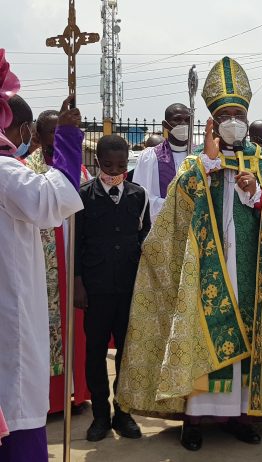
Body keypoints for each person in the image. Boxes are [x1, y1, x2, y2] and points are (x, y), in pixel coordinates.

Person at [116, 56, 262, 452]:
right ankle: (195, 420)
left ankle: (241, 416)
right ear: (213, 122)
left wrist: (256, 195)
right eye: (225, 115)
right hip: (206, 270)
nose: (233, 121)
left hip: (251, 271)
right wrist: (208, 163)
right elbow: (176, 211)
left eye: (239, 114)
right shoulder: (197, 163)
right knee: (205, 337)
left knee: (246, 340)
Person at [0, 50, 84, 462]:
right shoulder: (5, 171)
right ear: (20, 129)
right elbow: (53, 200)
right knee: (17, 394)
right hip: (9, 308)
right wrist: (68, 137)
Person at [74, 134, 150, 442]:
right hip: (96, 288)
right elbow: (76, 244)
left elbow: (144, 238)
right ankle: (100, 416)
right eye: (108, 165)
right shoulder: (83, 195)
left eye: (120, 165)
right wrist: (78, 284)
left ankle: (123, 412)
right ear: (97, 162)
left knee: (126, 353)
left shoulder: (138, 195)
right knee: (95, 352)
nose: (114, 171)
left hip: (129, 287)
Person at [25, 109, 92, 415]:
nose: (57, 137)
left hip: (72, 261)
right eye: (51, 132)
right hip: (42, 266)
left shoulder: (79, 171)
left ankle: (75, 394)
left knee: (75, 331)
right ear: (37, 135)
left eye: (60, 131)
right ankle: (49, 401)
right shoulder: (28, 170)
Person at [133, 104, 190, 222]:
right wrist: (175, 206)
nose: (183, 124)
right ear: (165, 125)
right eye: (177, 119)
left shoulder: (199, 156)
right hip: (161, 223)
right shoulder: (149, 157)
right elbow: (140, 196)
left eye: (187, 120)